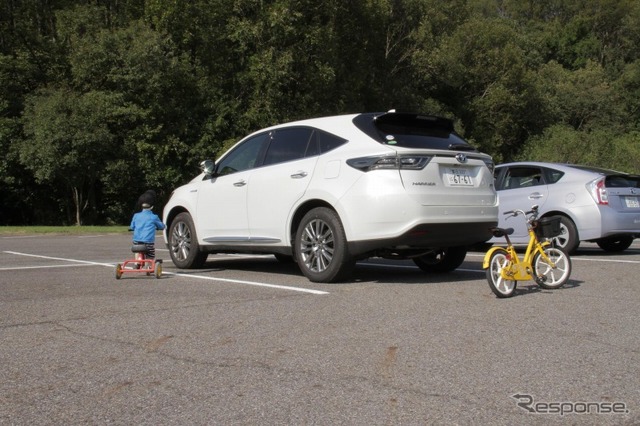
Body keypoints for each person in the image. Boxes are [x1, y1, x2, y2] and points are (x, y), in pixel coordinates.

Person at [130, 190, 165, 259]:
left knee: (137, 250)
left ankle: (136, 263)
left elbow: (132, 226)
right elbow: (161, 226)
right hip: (148, 242)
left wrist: (133, 228)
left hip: (136, 242)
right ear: (152, 206)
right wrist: (163, 226)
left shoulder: (136, 216)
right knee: (151, 254)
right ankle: (149, 264)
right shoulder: (154, 217)